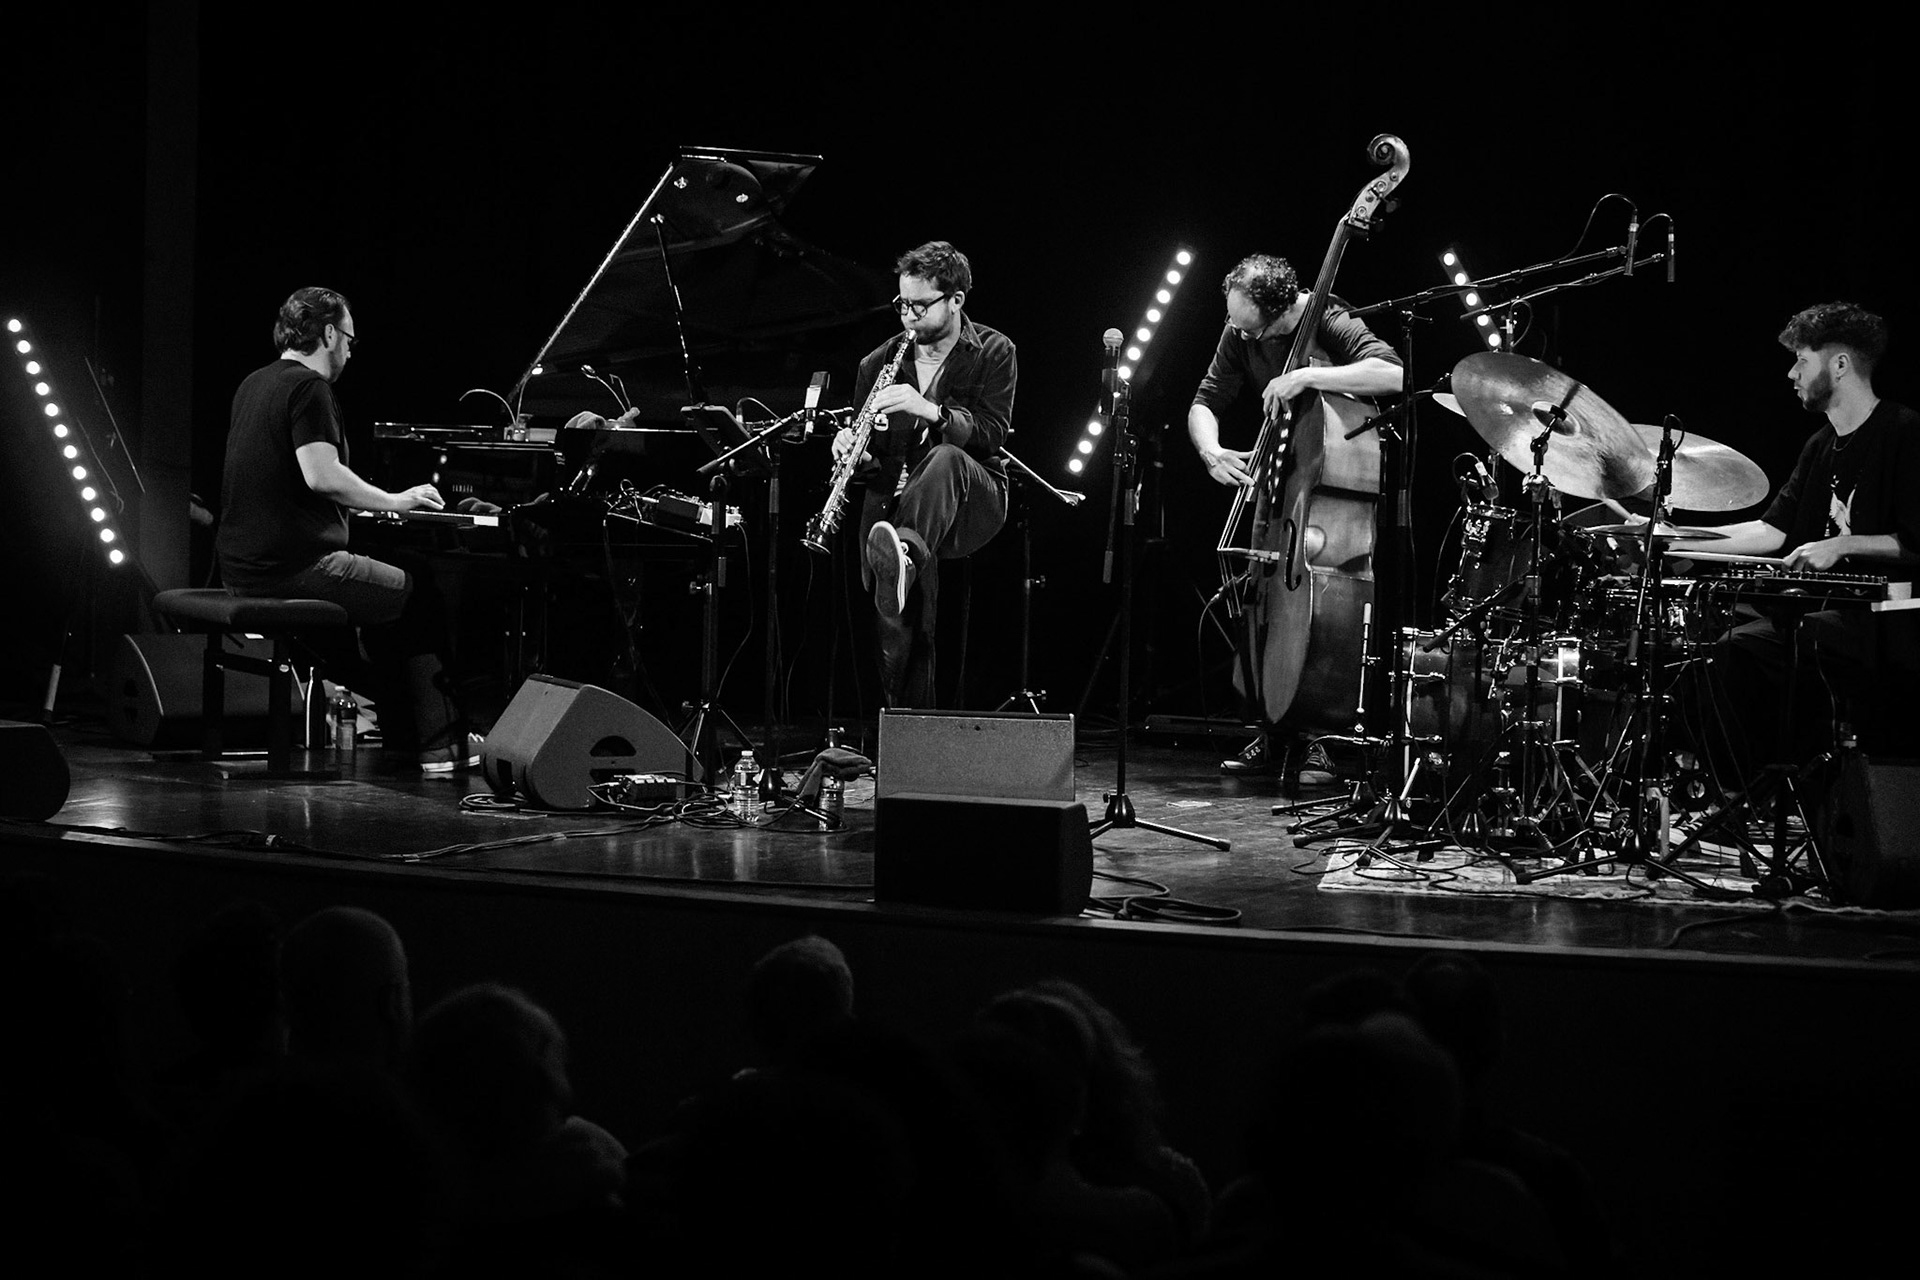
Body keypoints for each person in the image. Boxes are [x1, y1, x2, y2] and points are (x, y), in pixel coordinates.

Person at [214, 286, 477, 770]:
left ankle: (402, 733)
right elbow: (322, 476)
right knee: (419, 591)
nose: (351, 352)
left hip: (242, 569)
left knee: (391, 587)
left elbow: (285, 486)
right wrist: (394, 500)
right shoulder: (310, 387)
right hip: (292, 571)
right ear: (330, 333)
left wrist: (371, 506)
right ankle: (441, 744)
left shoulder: (254, 383)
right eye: (351, 341)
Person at [1671, 301, 1920, 785]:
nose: (1791, 373)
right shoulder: (1820, 445)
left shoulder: (1904, 432)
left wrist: (1842, 547)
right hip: (1825, 614)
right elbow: (1772, 531)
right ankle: (1728, 786)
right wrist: (1673, 540)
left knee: (1739, 649)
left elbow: (1916, 541)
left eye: (1802, 360)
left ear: (1840, 364)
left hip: (1885, 622)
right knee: (1706, 633)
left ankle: (1739, 790)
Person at [1188, 253, 1404, 776]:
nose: (1235, 332)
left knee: (1322, 607)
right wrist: (1211, 450)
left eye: (1245, 324)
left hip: (1324, 492)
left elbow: (1394, 373)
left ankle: (1316, 733)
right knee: (1265, 596)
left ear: (1280, 313)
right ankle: (1269, 725)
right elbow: (1206, 400)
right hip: (1278, 493)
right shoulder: (1239, 333)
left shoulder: (1327, 317)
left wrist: (1307, 376)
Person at [835, 241, 1015, 708]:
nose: (908, 316)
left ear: (955, 300)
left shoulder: (994, 351)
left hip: (972, 497)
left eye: (920, 305)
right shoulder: (877, 364)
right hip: (892, 508)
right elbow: (872, 461)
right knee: (896, 643)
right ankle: (903, 745)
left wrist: (932, 412)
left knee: (945, 458)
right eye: (902, 304)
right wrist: (852, 452)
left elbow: (991, 436)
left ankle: (907, 556)